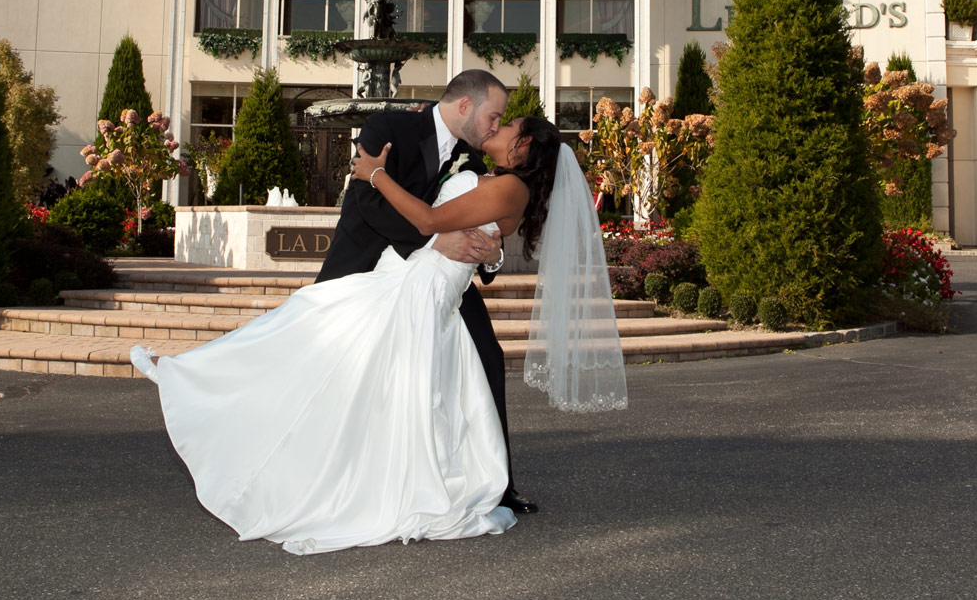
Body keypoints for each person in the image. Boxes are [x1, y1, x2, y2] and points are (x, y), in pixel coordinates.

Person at [130, 111, 626, 555]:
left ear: (526, 147)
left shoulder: (508, 187)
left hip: (419, 295)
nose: (501, 126)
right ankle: (214, 389)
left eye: (512, 125)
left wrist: (375, 174)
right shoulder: (496, 178)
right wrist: (485, 248)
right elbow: (464, 235)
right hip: (416, 284)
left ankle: (210, 389)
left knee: (331, 343)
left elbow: (430, 218)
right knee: (336, 347)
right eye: (499, 117)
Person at [313, 70, 532, 512]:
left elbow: (479, 217)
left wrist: (491, 255)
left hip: (438, 279)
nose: (496, 126)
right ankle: (331, 470)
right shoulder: (388, 127)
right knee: (335, 365)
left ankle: (497, 484)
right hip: (369, 264)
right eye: (494, 116)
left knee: (487, 356)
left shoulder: (472, 157)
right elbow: (366, 200)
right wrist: (434, 239)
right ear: (466, 106)